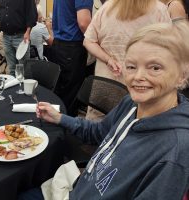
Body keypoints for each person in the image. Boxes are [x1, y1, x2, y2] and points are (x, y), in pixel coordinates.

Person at [19, 21, 189, 199]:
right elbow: (98, 132)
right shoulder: (131, 104)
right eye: (131, 66)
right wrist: (60, 118)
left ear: (182, 75)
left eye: (155, 67)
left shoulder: (175, 154)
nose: (138, 77)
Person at [83, 0, 171, 121]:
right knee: (135, 124)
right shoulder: (159, 10)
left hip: (106, 80)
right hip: (142, 82)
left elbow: (89, 41)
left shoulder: (107, 7)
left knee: (98, 123)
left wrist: (109, 60)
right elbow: (168, 48)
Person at [51, 0, 92, 116]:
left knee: (59, 92)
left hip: (59, 44)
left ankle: (57, 127)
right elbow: (84, 23)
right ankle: (66, 130)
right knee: (70, 97)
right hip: (72, 46)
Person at [0, 0, 37, 76]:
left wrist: (28, 32)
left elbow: (31, 13)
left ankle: (23, 87)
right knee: (11, 68)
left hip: (21, 36)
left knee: (23, 69)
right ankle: (14, 87)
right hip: (6, 36)